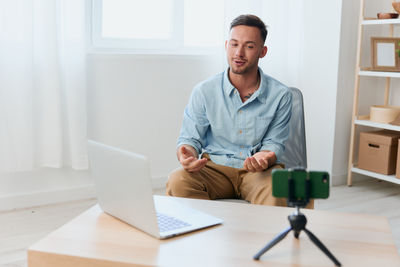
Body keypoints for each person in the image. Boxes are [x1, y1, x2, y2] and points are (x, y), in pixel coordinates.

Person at [167, 14, 311, 208]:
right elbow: (190, 139)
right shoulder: (204, 91)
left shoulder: (281, 95)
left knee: (281, 187)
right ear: (226, 45)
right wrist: (188, 154)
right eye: (234, 44)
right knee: (178, 181)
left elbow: (274, 143)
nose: (239, 53)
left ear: (263, 51)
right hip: (213, 169)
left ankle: (261, 237)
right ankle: (207, 233)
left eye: (249, 46)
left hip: (258, 172)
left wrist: (266, 156)